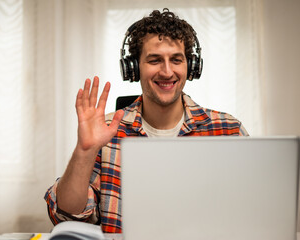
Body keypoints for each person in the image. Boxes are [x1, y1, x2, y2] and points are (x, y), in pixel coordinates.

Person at [44, 8, 248, 233]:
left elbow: (254, 210)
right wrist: (85, 150)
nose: (167, 71)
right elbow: (66, 216)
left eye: (176, 60)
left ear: (191, 66)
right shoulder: (106, 132)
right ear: (133, 68)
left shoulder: (228, 130)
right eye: (154, 60)